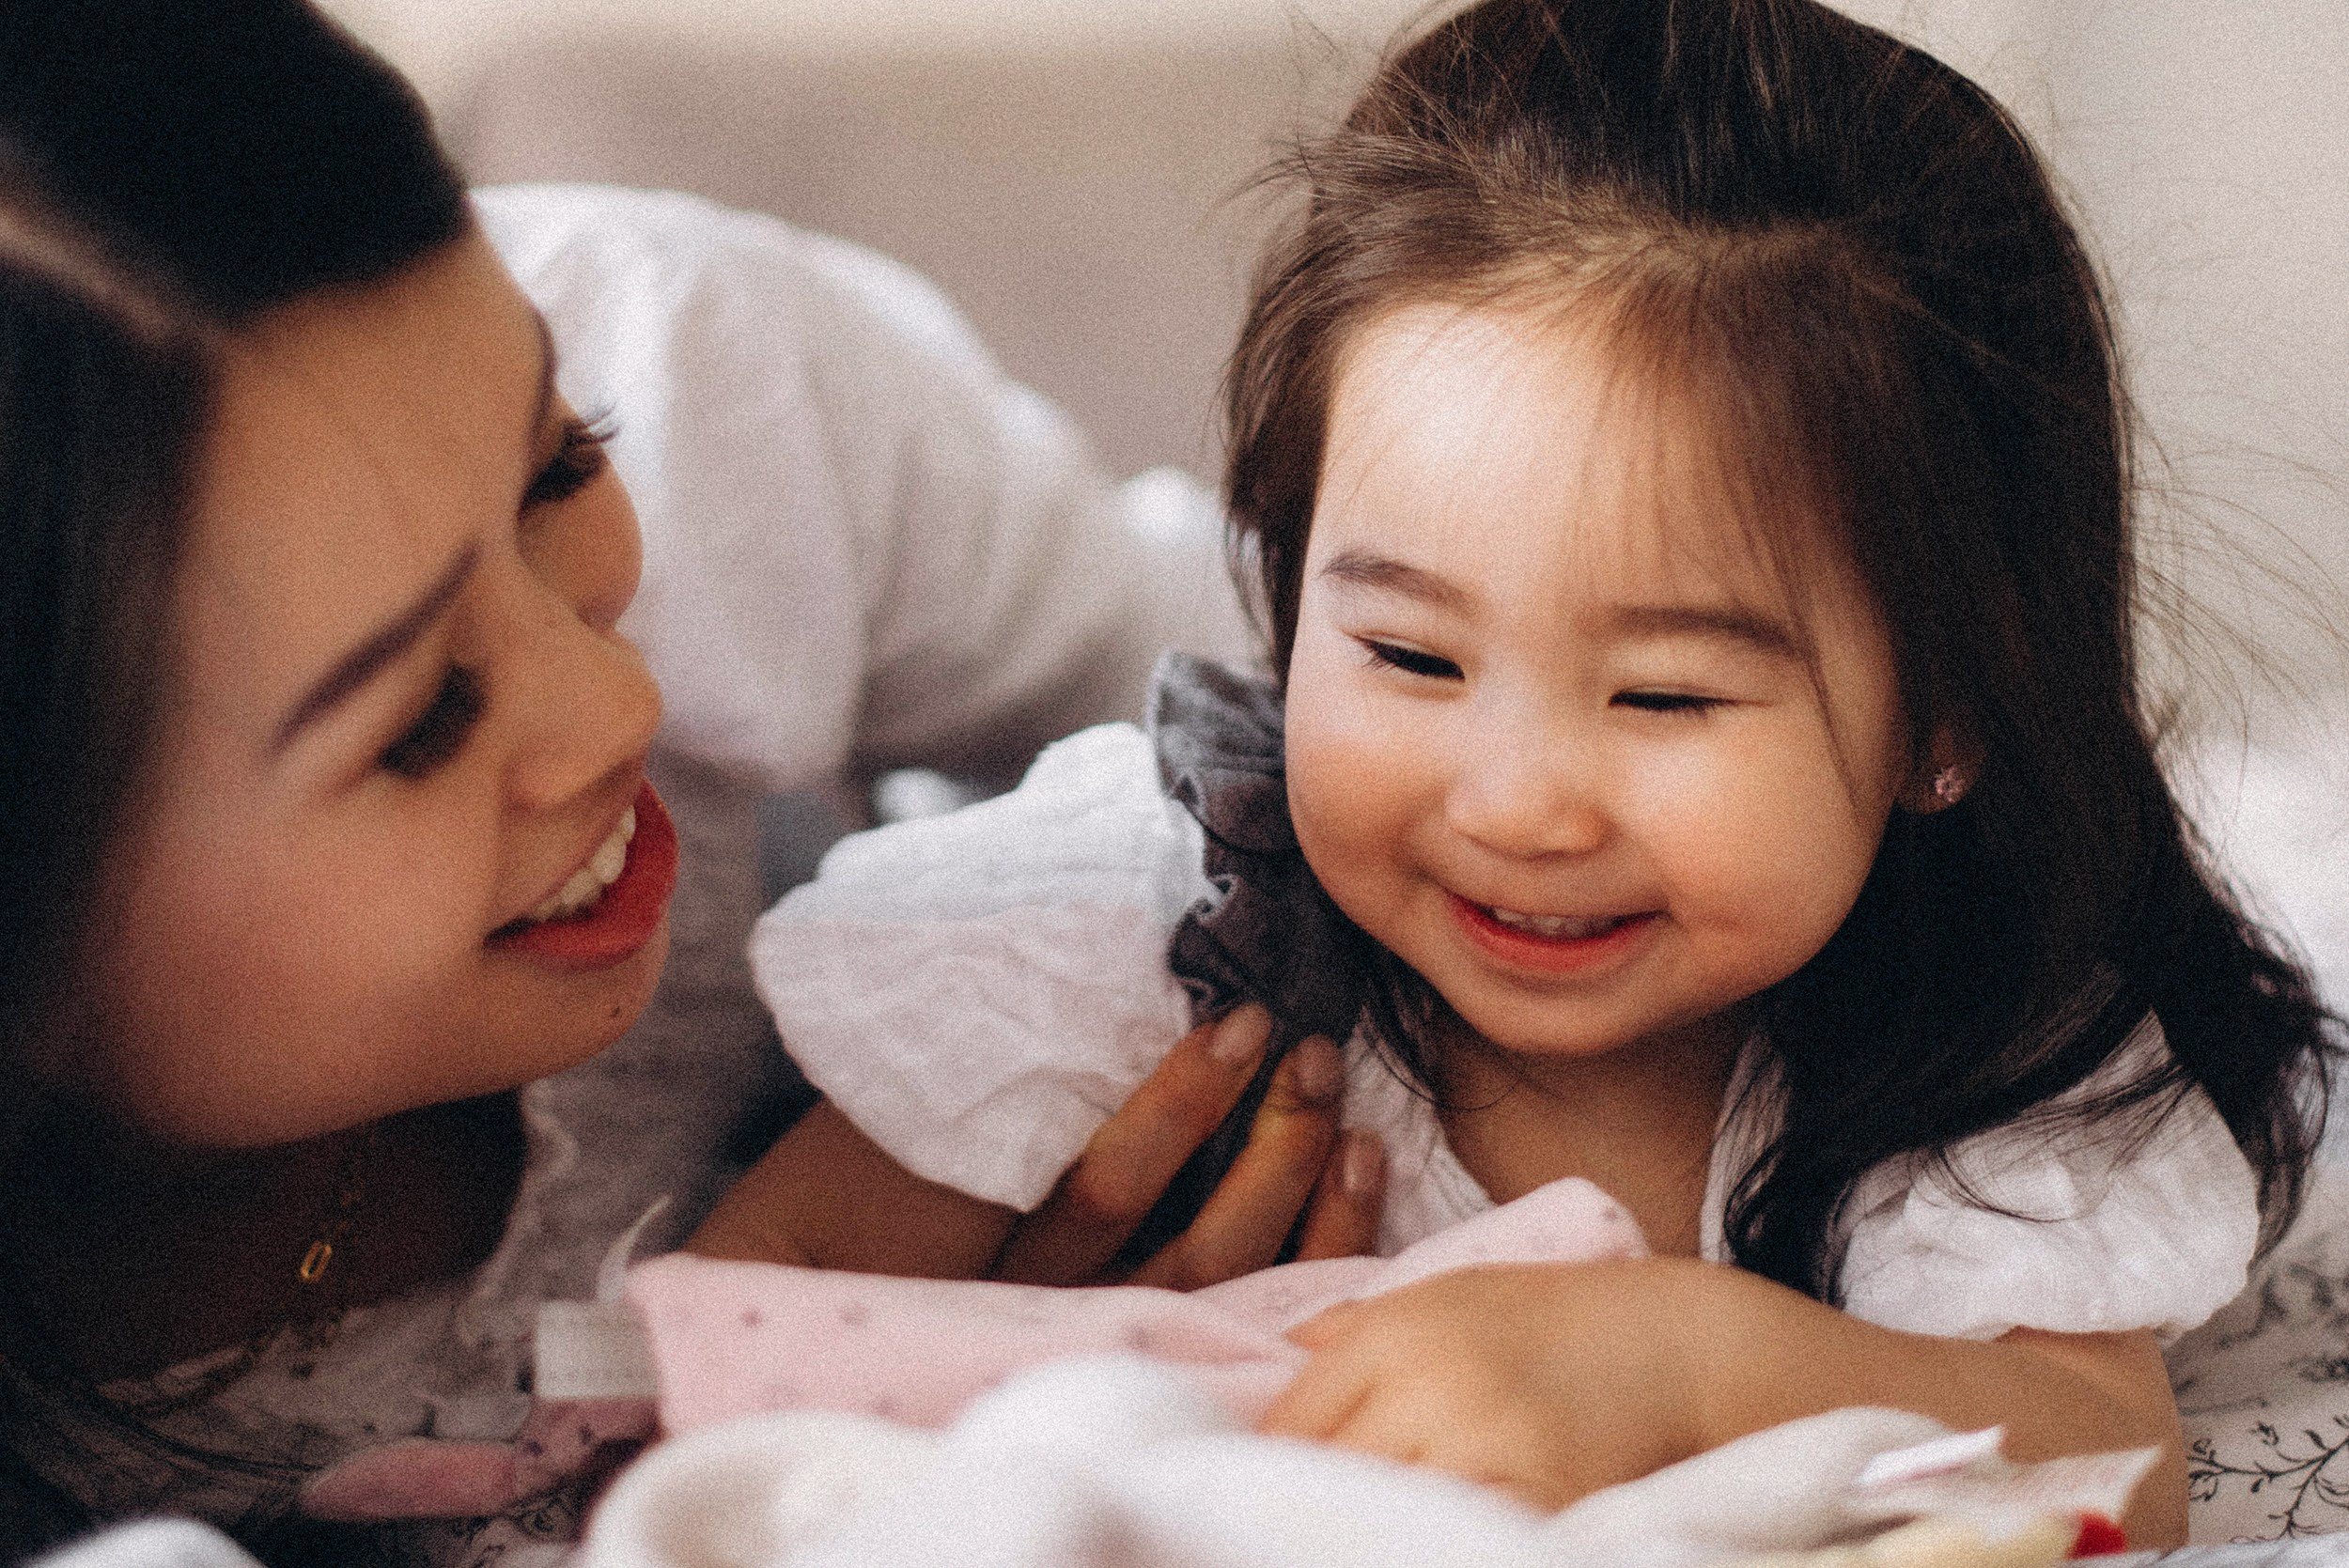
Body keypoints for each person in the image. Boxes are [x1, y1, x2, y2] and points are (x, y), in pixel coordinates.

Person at [687, 0, 2341, 1548]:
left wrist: (1674, 1355)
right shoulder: (1152, 926)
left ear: (1949, 713)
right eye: (1410, 658)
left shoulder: (1970, 1019)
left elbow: (2107, 1447)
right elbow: (727, 1331)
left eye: (1667, 694)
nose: (1519, 805)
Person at [0, 2, 1383, 1562]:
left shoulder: (683, 371)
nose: (621, 702)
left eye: (558, 468)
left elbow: (1333, 685)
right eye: (420, 718)